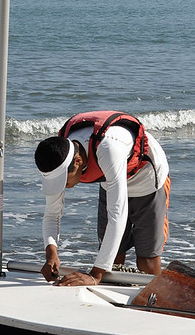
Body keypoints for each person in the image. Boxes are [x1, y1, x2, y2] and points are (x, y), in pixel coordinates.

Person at [34, 111, 170, 286]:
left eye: (63, 180)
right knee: (114, 259)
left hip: (147, 179)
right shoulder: (59, 159)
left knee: (146, 260)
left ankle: (152, 303)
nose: (62, 186)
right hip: (111, 179)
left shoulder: (108, 149)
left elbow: (117, 216)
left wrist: (95, 275)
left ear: (77, 161)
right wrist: (51, 252)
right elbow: (52, 214)